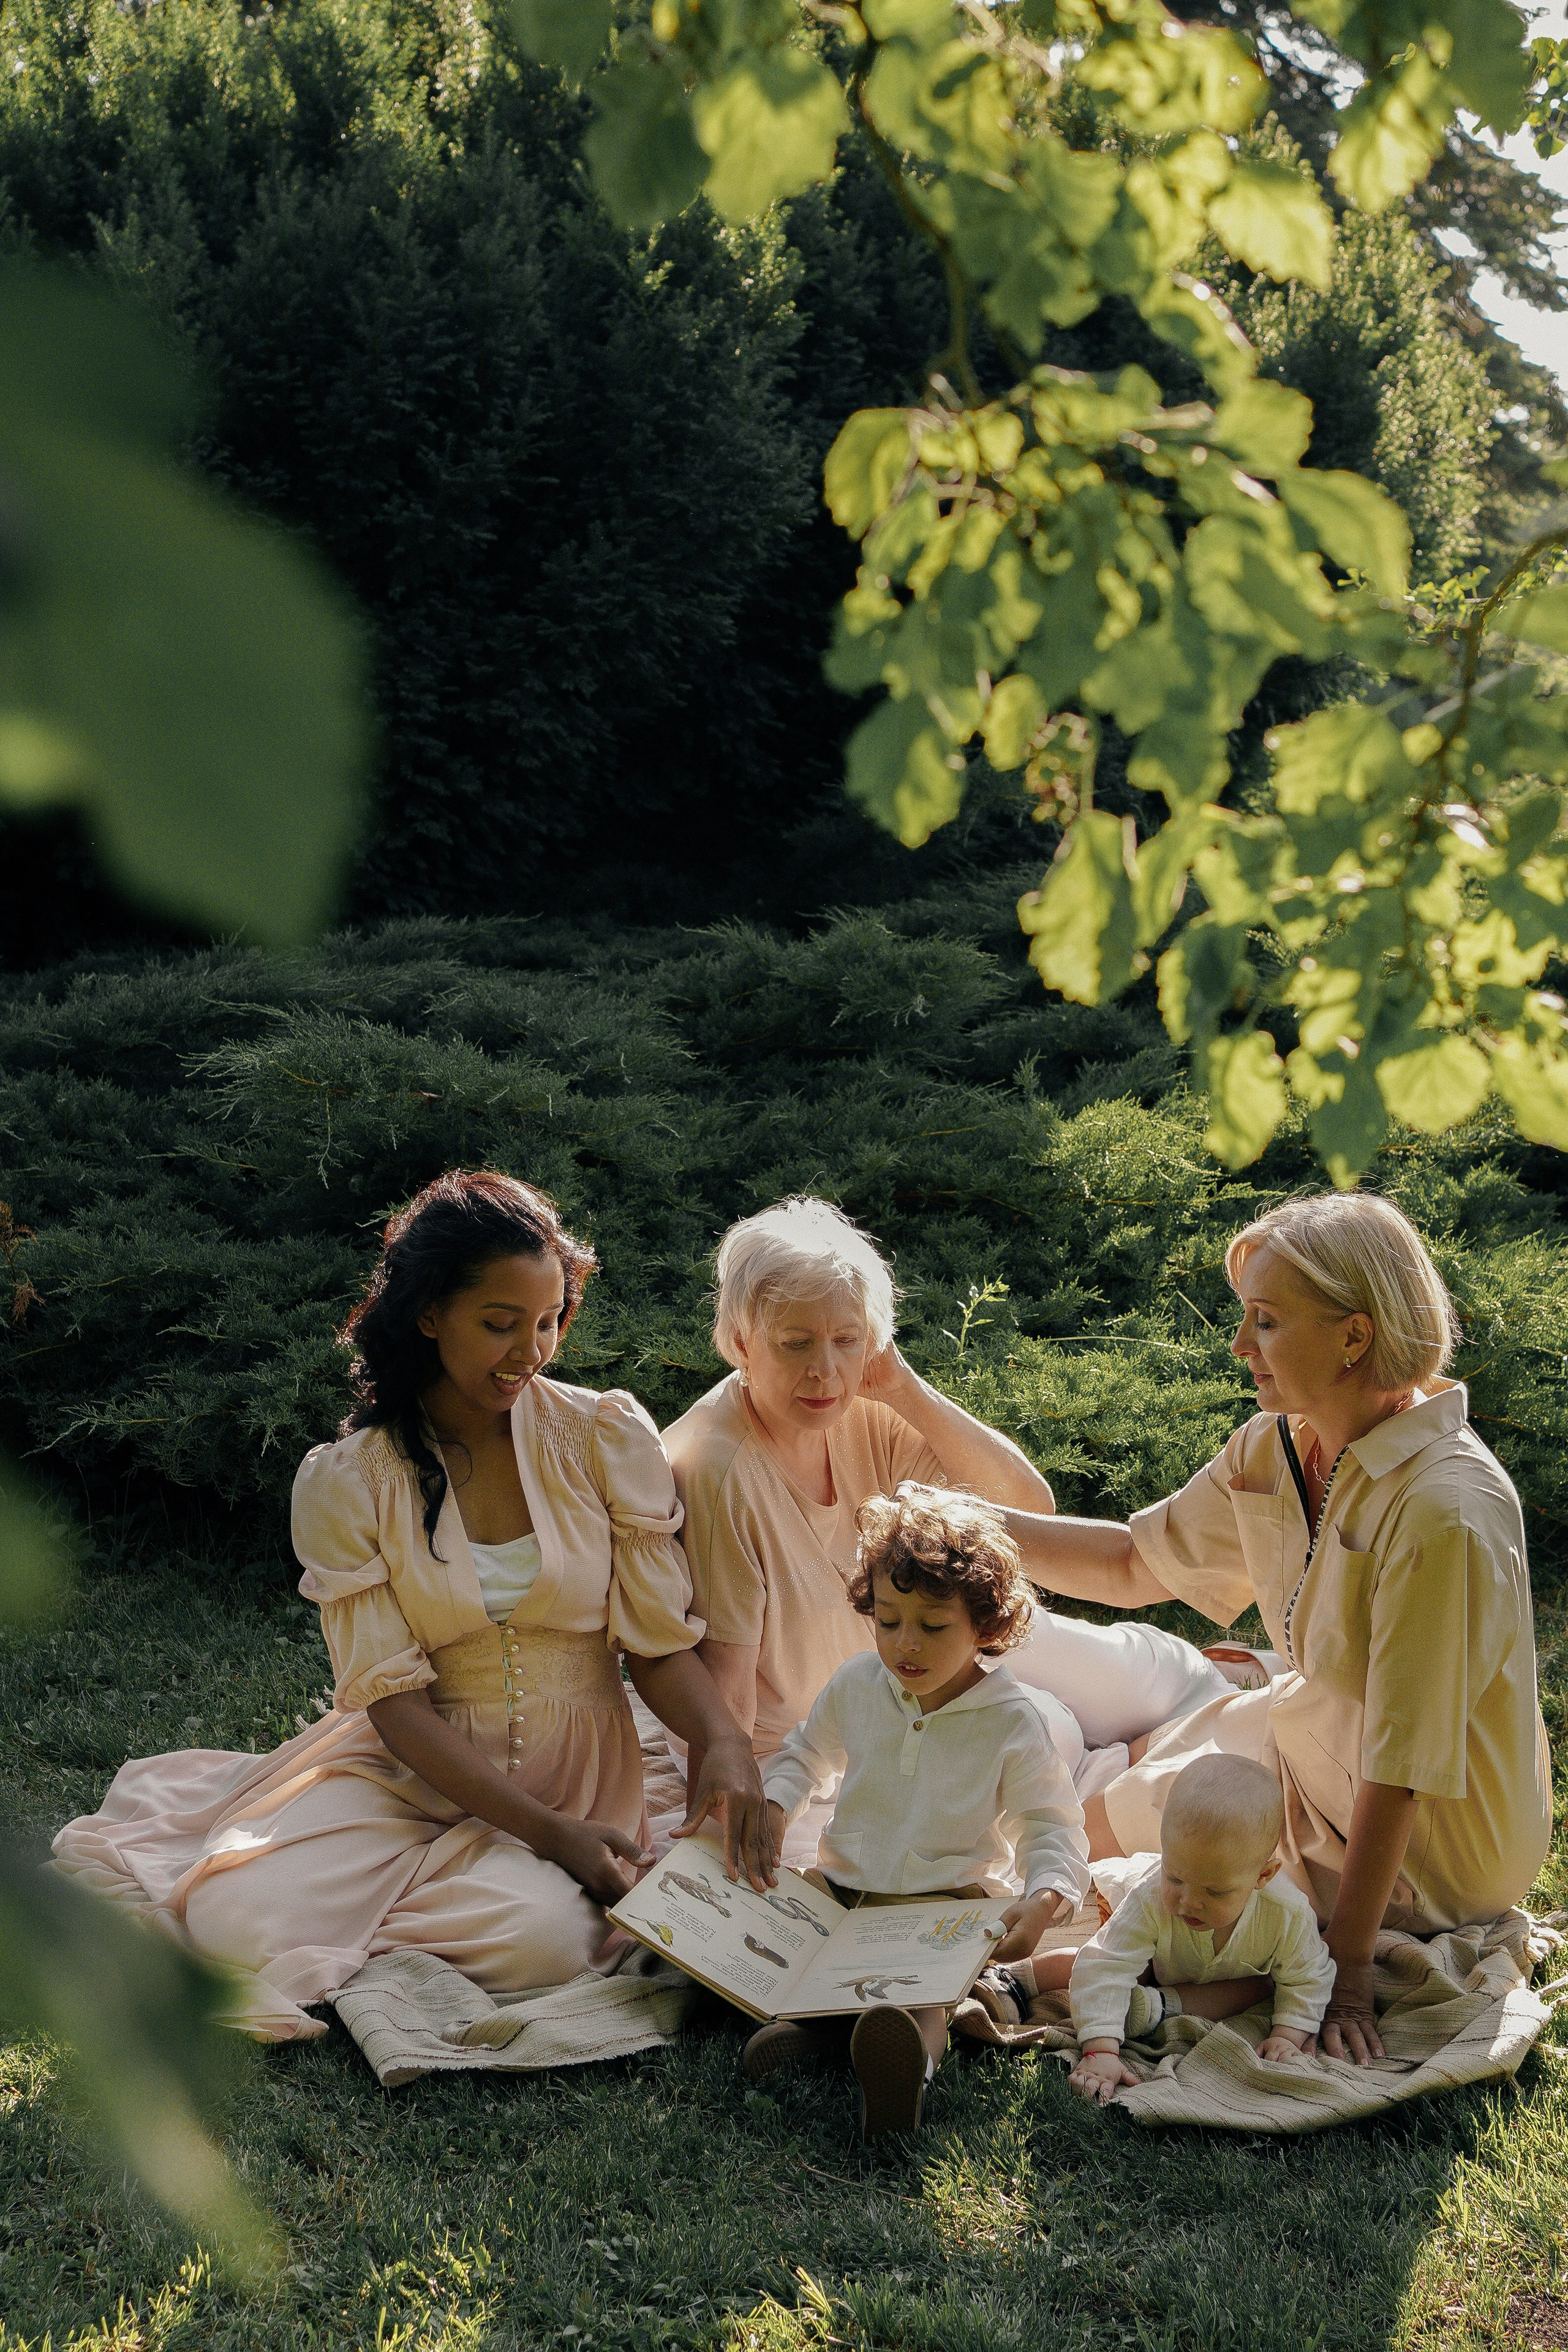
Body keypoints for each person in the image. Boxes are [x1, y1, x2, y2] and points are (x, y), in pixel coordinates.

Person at [52, 1170, 771, 2040]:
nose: (530, 1351)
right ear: (430, 1313)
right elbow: (394, 1704)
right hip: (412, 1768)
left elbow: (656, 1648)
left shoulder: (604, 1438)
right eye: (500, 1323)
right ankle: (412, 1909)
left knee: (541, 1941)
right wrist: (545, 1836)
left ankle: (422, 1920)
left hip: (580, 1775)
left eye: (549, 1322)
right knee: (231, 1922)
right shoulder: (349, 1480)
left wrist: (725, 1740)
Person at [998, 1189, 1553, 2068]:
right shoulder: (1280, 1445)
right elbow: (1133, 1566)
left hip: (1433, 1831)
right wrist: (972, 1524)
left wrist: (1355, 1965)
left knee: (1215, 1903)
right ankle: (956, 1953)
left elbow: (1402, 1767)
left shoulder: (1447, 1511)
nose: (1238, 1345)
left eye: (1264, 1321)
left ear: (1354, 1336)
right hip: (1311, 1729)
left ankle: (1024, 1986)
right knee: (1093, 1826)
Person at [664, 1196, 1238, 1819]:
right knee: (1040, 1746)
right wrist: (716, 1838)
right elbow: (727, 1696)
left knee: (1156, 1687)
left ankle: (1182, 1714)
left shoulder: (865, 1406)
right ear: (743, 1342)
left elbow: (1025, 1506)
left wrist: (905, 1390)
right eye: (795, 1343)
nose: (824, 1371)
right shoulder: (719, 1469)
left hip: (934, 1656)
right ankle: (1120, 1764)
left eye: (847, 1340)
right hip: (811, 1737)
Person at [747, 1486, 1090, 2136]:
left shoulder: (1011, 1722)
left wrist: (1044, 1899)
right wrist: (775, 1803)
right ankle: (817, 2034)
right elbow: (804, 1753)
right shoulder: (857, 1684)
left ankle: (907, 2071)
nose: (906, 1644)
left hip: (945, 1908)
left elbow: (1051, 1825)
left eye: (932, 1626)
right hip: (847, 1890)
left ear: (986, 1627)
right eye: (886, 1620)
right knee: (788, 1939)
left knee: (919, 2002)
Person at [1065, 1754, 1335, 2104]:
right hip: (1144, 1935)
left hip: (1213, 1978)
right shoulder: (1152, 1899)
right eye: (1175, 1876)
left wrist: (1287, 2035)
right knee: (1102, 1962)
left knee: (1262, 1987)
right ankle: (1019, 1979)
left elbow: (1308, 1976)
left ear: (1262, 1877)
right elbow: (1105, 1963)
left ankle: (1154, 2006)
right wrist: (1100, 2051)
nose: (1189, 1902)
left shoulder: (1286, 1913)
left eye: (1215, 1891)